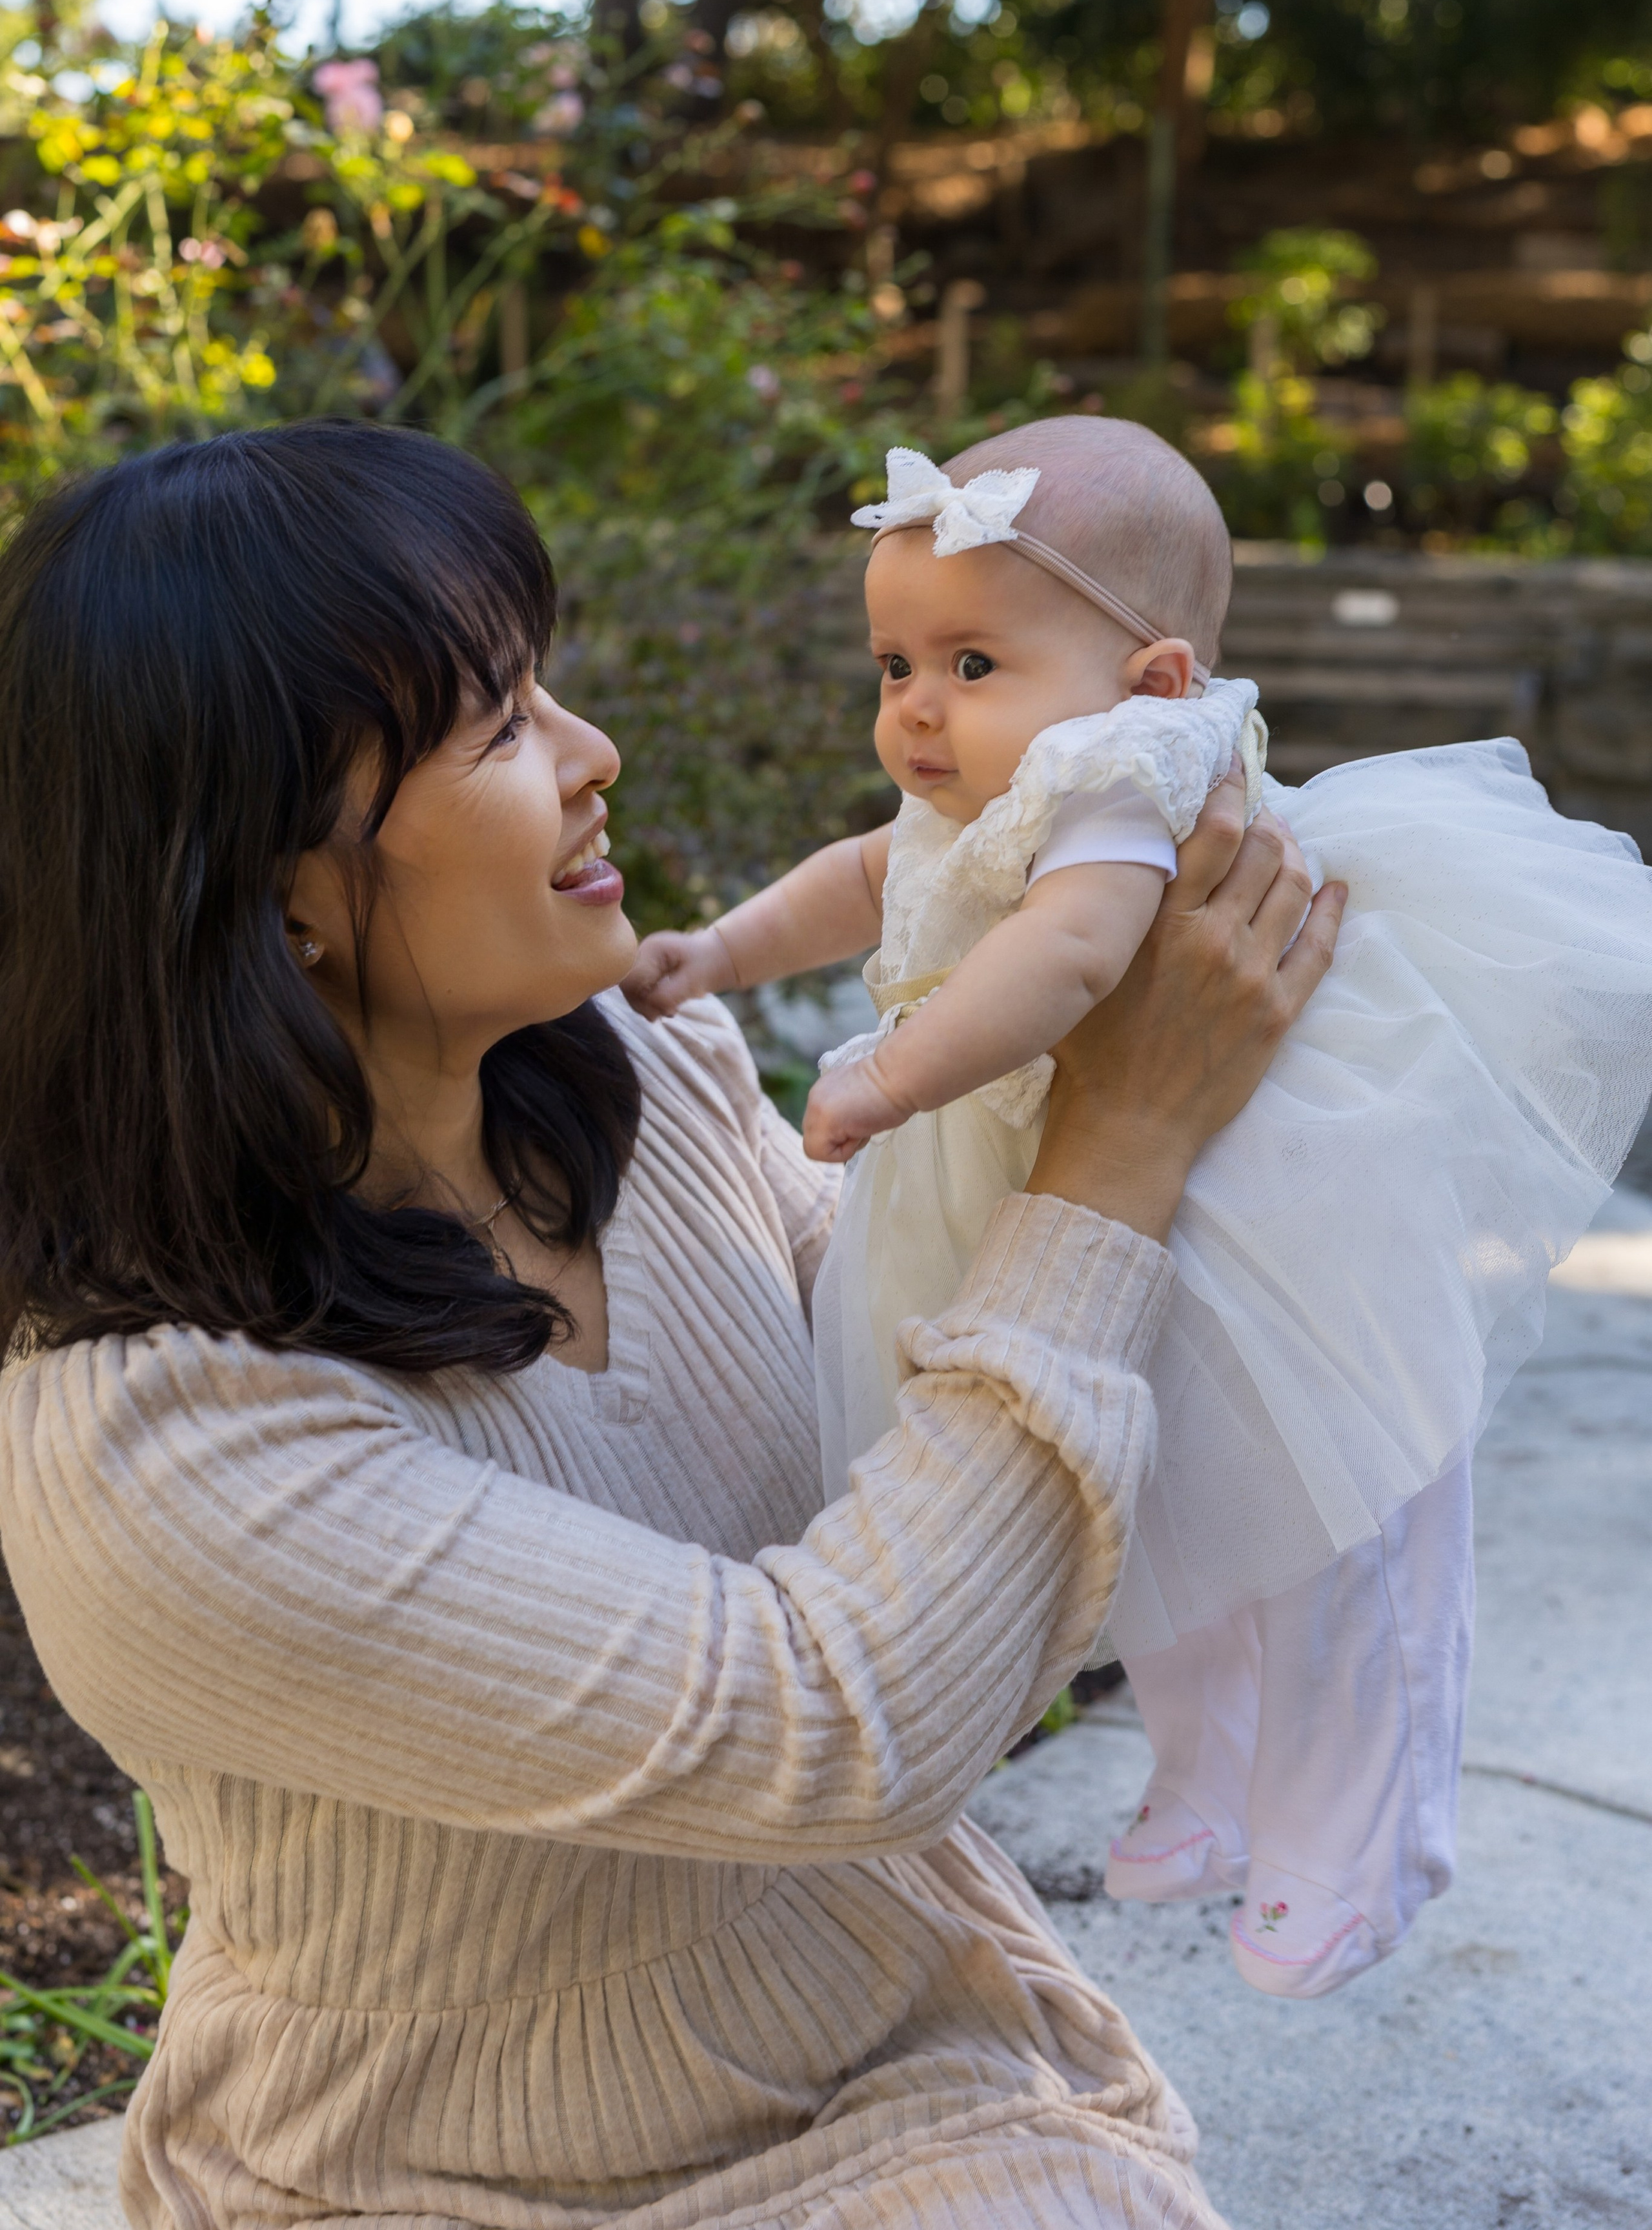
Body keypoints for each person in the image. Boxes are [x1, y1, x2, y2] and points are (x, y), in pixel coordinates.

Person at [0, 420, 1340, 2230]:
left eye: (545, 689)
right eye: (495, 731)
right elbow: (847, 1717)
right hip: (425, 2182)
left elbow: (957, 1513)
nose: (591, 756)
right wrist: (1117, 1150)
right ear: (282, 885)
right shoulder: (164, 1450)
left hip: (894, 2057)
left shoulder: (644, 1068)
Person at [624, 418, 1652, 2000]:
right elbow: (865, 878)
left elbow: (1074, 959)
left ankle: (1359, 1846)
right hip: (1133, 1183)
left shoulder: (1123, 774)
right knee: (1154, 1505)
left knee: (1334, 1537)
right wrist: (719, 954)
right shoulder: (1002, 775)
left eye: (970, 664)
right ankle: (1199, 1779)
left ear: (1155, 676)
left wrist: (889, 1075)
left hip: (1268, 1200)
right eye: (893, 664)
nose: (913, 708)